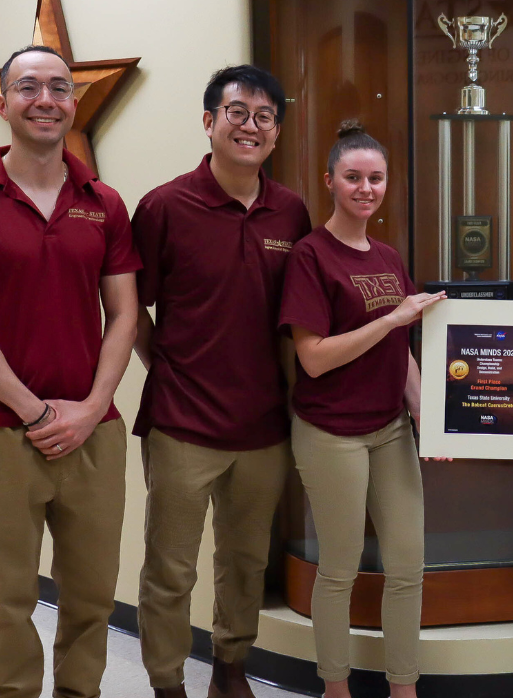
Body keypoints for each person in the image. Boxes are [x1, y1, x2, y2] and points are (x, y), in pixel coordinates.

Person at [0, 45, 141, 698]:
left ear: (74, 101)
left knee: (92, 600)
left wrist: (93, 405)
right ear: (3, 101)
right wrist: (37, 412)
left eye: (59, 87)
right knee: (9, 602)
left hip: (94, 435)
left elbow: (124, 314)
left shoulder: (103, 201)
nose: (46, 99)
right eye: (29, 87)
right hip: (2, 434)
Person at [130, 65, 312, 698]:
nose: (250, 126)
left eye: (264, 117)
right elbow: (129, 312)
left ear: (276, 133)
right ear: (209, 122)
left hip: (264, 426)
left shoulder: (291, 211)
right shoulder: (163, 207)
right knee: (170, 570)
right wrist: (168, 369)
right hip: (181, 425)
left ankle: (231, 670)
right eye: (237, 113)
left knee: (245, 563)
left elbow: (303, 319)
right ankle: (167, 683)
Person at [278, 120, 444, 698]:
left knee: (407, 568)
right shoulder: (309, 256)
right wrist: (393, 318)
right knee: (340, 569)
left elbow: (400, 355)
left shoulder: (389, 257)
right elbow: (315, 359)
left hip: (390, 430)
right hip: (330, 434)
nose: (366, 188)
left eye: (376, 178)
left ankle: (404, 688)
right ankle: (336, 688)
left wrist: (427, 415)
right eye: (353, 177)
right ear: (330, 181)